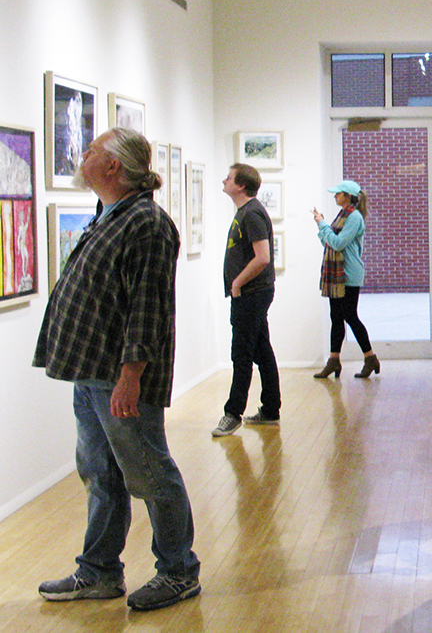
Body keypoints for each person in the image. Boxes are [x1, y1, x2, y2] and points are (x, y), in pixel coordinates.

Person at [33, 128, 201, 610]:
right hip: (92, 372)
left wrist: (131, 376)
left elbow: (148, 308)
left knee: (149, 472)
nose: (81, 157)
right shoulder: (112, 215)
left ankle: (178, 571)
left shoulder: (146, 223)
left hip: (118, 377)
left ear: (113, 167)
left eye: (91, 152)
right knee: (99, 473)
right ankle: (99, 571)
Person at [212, 163, 281, 437]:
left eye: (228, 177)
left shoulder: (251, 213)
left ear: (241, 185)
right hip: (252, 293)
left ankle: (233, 413)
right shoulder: (246, 212)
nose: (224, 180)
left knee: (241, 353)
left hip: (252, 293)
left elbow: (262, 257)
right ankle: (271, 409)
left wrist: (238, 283)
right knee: (261, 350)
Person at [311, 180, 380, 379]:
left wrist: (322, 225)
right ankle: (334, 360)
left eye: (338, 194)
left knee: (350, 315)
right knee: (336, 317)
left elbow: (338, 243)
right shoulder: (343, 215)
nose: (335, 196)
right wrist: (323, 226)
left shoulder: (354, 217)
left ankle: (370, 357)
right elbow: (328, 240)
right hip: (336, 274)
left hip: (348, 273)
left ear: (347, 196)